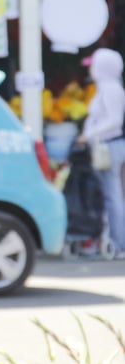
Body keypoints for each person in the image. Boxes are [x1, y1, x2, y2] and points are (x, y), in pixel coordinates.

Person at [76, 47, 125, 258]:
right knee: (106, 194)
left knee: (112, 195)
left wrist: (89, 134)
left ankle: (119, 241)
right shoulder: (104, 88)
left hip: (109, 147)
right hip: (102, 146)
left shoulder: (112, 89)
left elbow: (115, 121)